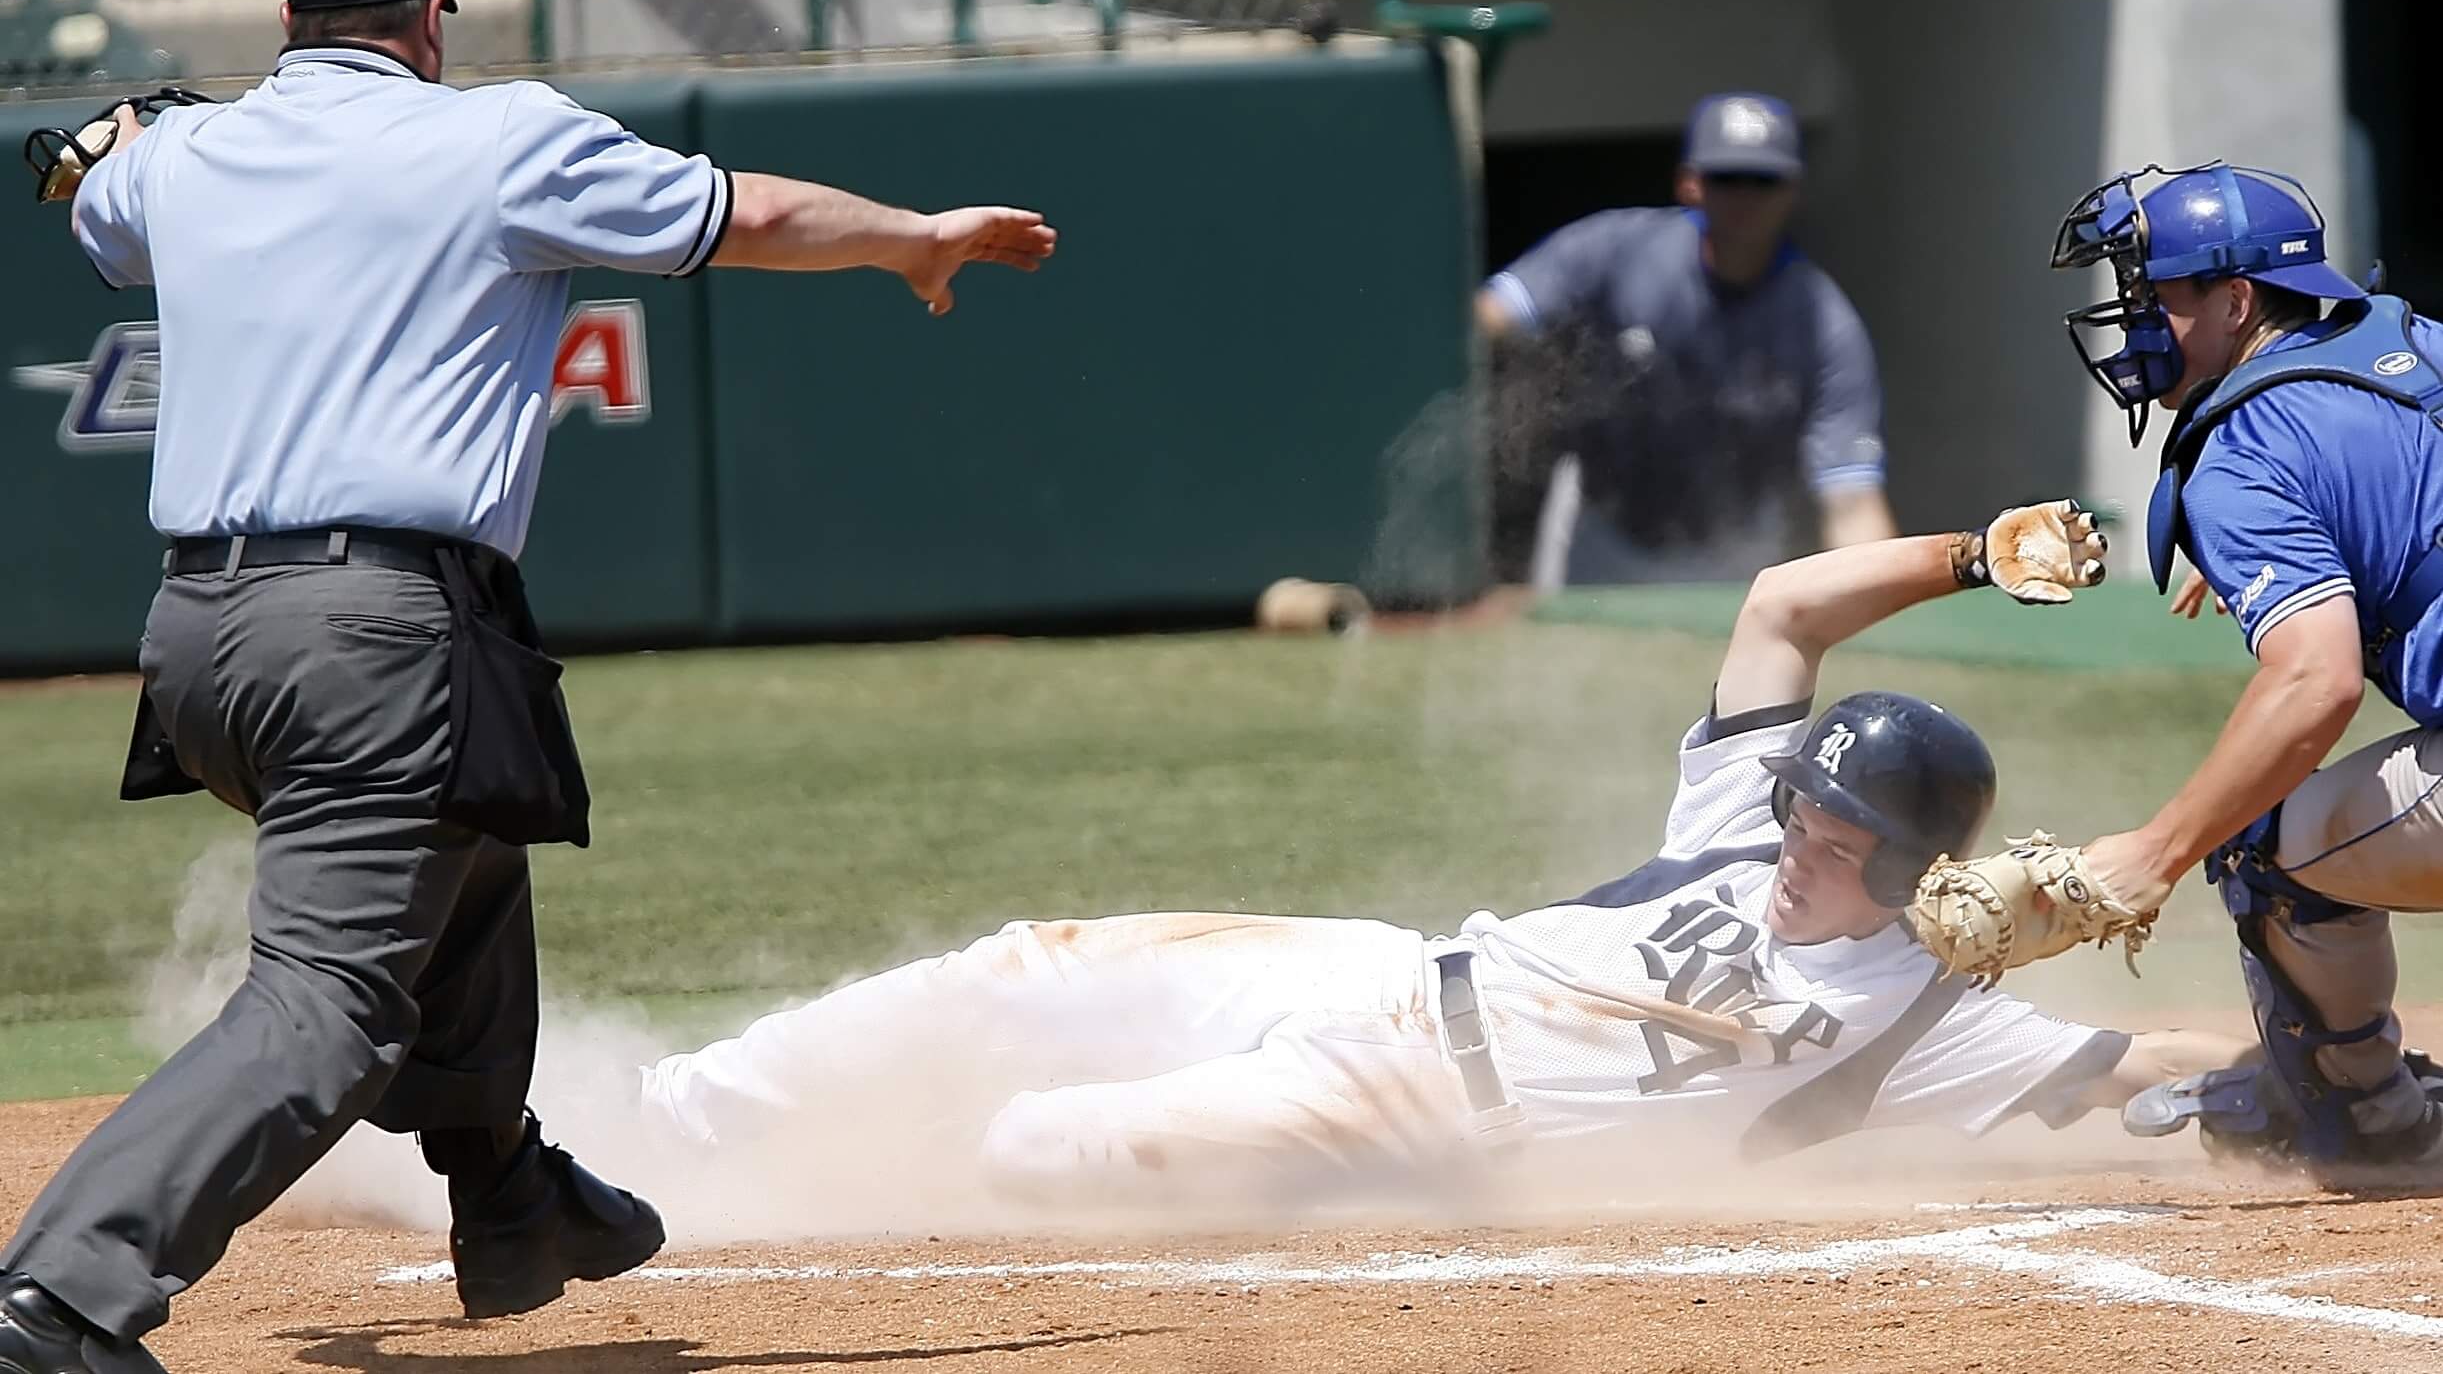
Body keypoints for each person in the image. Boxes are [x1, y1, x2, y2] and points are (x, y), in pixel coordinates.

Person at [0, 0, 1056, 1374]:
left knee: (469, 840)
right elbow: (742, 213)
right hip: (373, 627)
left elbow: (94, 194)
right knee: (330, 1003)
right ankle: (58, 1292)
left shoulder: (186, 154)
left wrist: (122, 139)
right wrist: (912, 239)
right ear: (435, 17)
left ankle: (506, 1193)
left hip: (198, 640)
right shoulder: (496, 137)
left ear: (287, 24)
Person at [626, 502, 2240, 1211]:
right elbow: (1775, 605)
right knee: (1015, 970)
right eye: (1797, 817)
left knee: (1038, 1150)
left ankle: (839, 1175)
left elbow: (2142, 1054)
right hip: (1381, 972)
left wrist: (2323, 1062)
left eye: (1833, 840)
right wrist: (1970, 554)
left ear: (1907, 866)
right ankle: (662, 1126)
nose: (1794, 850)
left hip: (1411, 1110)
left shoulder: (1926, 1018)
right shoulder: (1727, 843)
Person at [2021, 161, 2443, 1180]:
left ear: (2237, 300)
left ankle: (2368, 1119)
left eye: (2152, 289)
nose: (2134, 316)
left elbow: (2315, 681)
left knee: (2258, 841)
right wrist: (2305, 545)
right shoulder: (2416, 341)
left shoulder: (2242, 449)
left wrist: (2155, 851)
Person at [1476, 93, 1898, 588]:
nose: (1745, 197)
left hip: (1737, 553)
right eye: (1727, 178)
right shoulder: (1616, 248)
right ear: (1690, 183)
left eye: (1764, 180)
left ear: (1794, 191)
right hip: (1602, 534)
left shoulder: (1825, 325)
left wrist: (1885, 613)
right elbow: (1489, 317)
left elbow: (1850, 500)